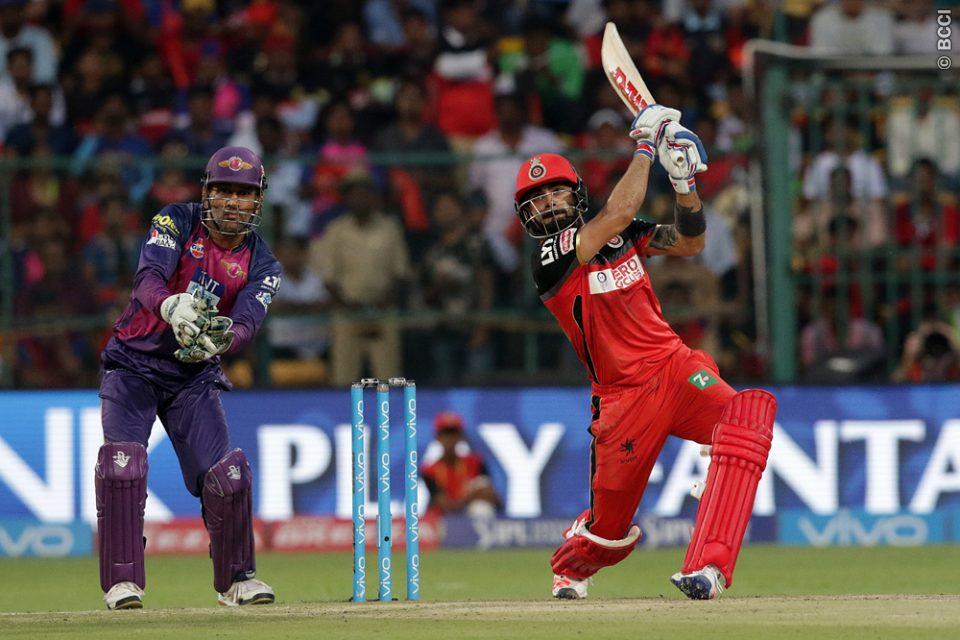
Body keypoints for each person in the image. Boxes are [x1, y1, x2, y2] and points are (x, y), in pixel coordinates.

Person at [515, 105, 777, 601]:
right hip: (623, 399)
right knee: (609, 530)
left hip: (675, 368)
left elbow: (690, 243)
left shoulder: (625, 232)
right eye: (536, 199)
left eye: (554, 192)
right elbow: (614, 214)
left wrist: (684, 185)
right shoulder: (550, 257)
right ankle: (572, 563)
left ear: (575, 193)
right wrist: (645, 145)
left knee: (747, 422)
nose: (547, 204)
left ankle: (709, 568)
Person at [96, 146, 282, 610]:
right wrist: (171, 305)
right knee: (123, 467)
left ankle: (237, 580)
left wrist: (222, 341)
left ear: (258, 200)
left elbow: (247, 322)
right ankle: (123, 582)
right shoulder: (175, 220)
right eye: (224, 190)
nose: (233, 201)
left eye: (244, 193)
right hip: (133, 365)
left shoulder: (263, 263)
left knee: (228, 476)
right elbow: (147, 279)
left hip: (193, 376)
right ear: (207, 191)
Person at [421, 412, 500, 517]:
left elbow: (490, 494)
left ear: (460, 436)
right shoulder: (430, 470)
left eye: (453, 433)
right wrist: (471, 495)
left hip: (469, 516)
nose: (449, 438)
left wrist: (464, 499)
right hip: (445, 519)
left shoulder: (475, 463)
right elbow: (443, 504)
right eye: (445, 433)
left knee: (481, 508)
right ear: (437, 437)